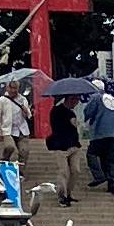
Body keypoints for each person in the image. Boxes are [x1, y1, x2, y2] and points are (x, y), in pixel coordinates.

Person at [81, 76, 114, 198]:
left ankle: (99, 176)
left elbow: (88, 112)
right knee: (111, 160)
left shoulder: (95, 97)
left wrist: (86, 120)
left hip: (101, 133)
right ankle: (112, 186)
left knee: (91, 154)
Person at [41, 74, 81, 206]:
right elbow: (59, 126)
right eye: (76, 100)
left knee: (75, 170)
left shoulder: (72, 113)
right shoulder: (57, 111)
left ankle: (69, 193)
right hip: (60, 146)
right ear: (70, 99)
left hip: (74, 146)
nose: (77, 103)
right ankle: (62, 195)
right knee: (63, 171)